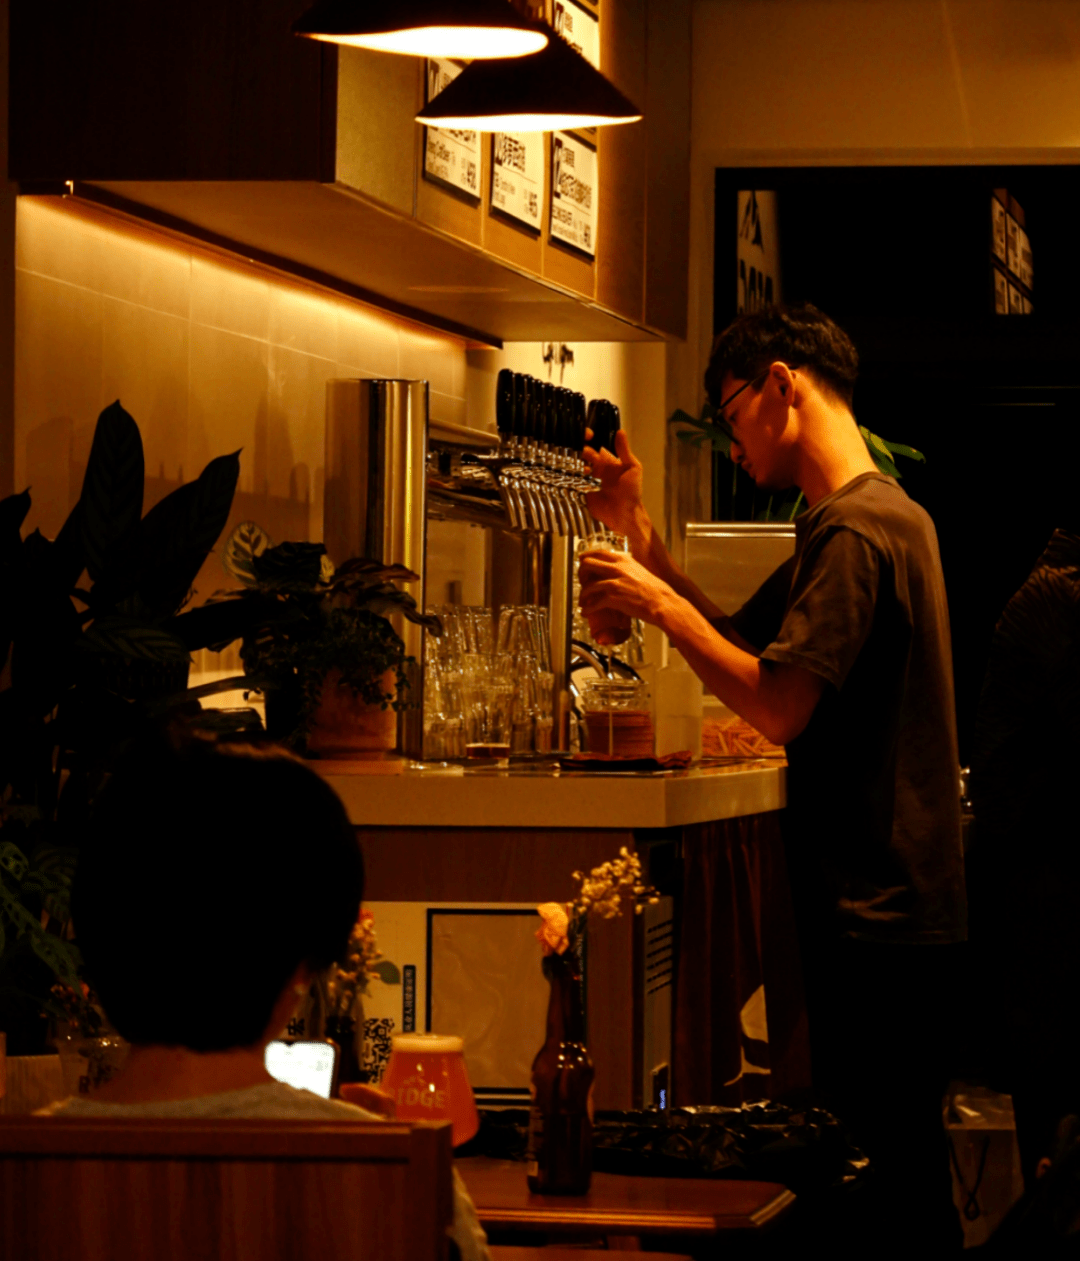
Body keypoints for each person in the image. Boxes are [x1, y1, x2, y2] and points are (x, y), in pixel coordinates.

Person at [579, 303, 967, 1251]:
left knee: (882, 1180)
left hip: (876, 911)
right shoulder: (876, 516)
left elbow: (779, 705)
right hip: (901, 908)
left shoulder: (854, 533)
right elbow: (746, 643)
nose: (732, 440)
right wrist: (641, 540)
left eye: (731, 412)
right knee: (897, 1168)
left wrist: (657, 607)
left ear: (783, 386)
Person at [44, 736, 490, 1261]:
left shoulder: (26, 1167)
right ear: (307, 962)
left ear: (98, 937)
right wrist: (343, 1133)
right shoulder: (402, 1172)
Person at [969, 527, 1080, 1188]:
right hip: (1053, 916)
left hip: (1045, 906)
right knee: (1062, 1165)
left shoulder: (1055, 590)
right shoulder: (1061, 598)